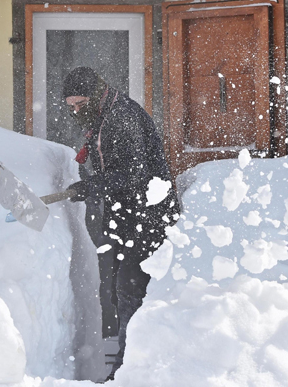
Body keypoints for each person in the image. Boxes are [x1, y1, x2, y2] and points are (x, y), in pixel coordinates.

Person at [63, 67, 179, 380]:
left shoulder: (122, 117)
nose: (75, 111)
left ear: (96, 93)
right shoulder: (100, 116)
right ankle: (128, 367)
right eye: (70, 106)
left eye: (79, 103)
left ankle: (128, 372)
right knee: (122, 288)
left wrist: (90, 186)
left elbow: (133, 174)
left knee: (132, 289)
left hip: (150, 215)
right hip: (129, 216)